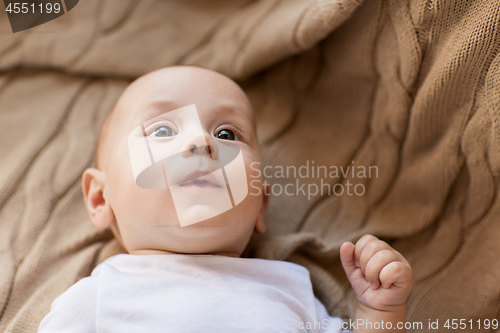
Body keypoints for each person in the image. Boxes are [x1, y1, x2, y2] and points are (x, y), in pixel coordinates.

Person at [38, 66, 413, 333]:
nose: (201, 143)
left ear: (260, 205)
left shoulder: (289, 288)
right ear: (102, 198)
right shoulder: (98, 296)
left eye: (227, 133)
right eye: (164, 129)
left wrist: (379, 312)